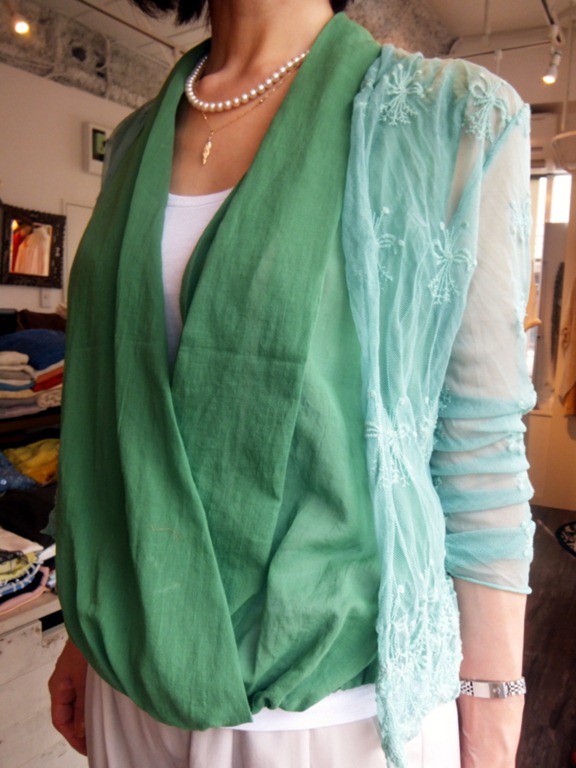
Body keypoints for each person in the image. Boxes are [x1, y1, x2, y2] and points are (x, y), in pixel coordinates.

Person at [48, 1, 536, 766]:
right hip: (130, 687)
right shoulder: (138, 137)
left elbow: (479, 440)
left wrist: (494, 714)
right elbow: (113, 420)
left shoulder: (449, 117)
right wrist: (85, 634)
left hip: (333, 716)